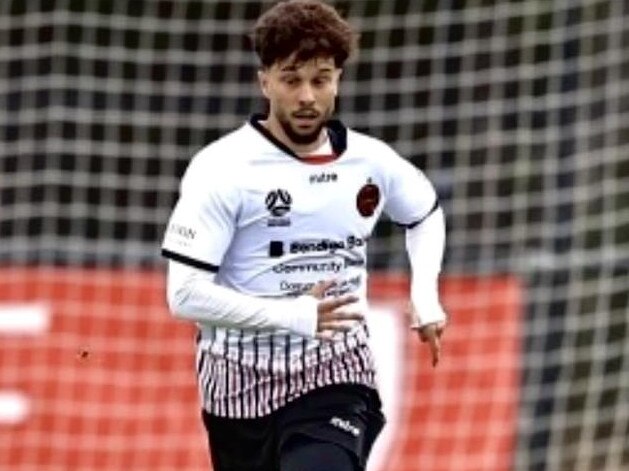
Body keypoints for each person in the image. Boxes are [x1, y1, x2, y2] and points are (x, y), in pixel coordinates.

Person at [161, 0, 447, 469]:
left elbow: (424, 213)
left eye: (321, 79)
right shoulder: (222, 168)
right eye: (292, 80)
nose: (308, 96)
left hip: (336, 373)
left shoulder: (371, 161)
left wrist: (426, 294)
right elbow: (185, 296)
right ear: (265, 81)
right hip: (237, 386)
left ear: (338, 79)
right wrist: (294, 315)